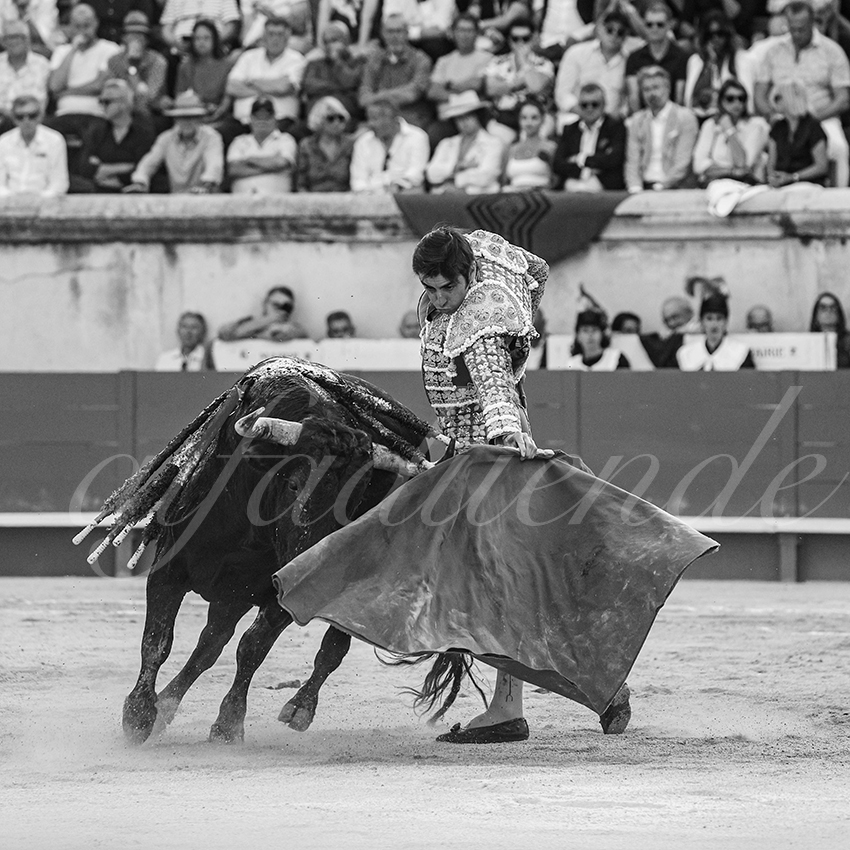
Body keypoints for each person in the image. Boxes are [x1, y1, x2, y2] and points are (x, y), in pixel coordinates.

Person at [410, 226, 632, 743]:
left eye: (447, 288)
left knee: (495, 591)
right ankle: (588, 689)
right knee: (510, 590)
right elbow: (537, 268)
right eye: (430, 288)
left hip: (490, 461)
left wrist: (507, 432)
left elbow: (493, 388)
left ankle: (526, 704)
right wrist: (523, 315)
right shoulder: (484, 256)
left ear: (467, 277)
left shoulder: (480, 322)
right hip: (469, 459)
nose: (439, 300)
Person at [753, 0, 850, 187]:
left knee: (839, 147)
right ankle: (758, 200)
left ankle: (838, 204)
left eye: (802, 29)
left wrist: (813, 119)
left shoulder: (832, 51)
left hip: (820, 117)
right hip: (780, 119)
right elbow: (759, 94)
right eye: (793, 28)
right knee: (755, 143)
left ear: (813, 22)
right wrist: (773, 115)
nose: (797, 33)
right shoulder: (773, 51)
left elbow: (843, 99)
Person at [46, 4, 121, 149]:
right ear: (70, 27)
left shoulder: (110, 49)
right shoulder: (62, 52)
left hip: (96, 114)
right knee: (46, 133)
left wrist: (66, 92)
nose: (82, 31)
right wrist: (73, 50)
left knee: (93, 134)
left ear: (96, 24)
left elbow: (99, 86)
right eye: (77, 26)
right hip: (63, 114)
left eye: (86, 26)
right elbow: (55, 86)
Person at [125, 90, 224, 193]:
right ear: (176, 119)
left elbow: (214, 164)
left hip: (207, 198)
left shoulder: (212, 137)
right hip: (177, 197)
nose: (187, 122)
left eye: (192, 117)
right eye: (182, 117)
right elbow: (149, 163)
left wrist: (207, 184)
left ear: (200, 118)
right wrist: (140, 181)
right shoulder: (166, 138)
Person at [226, 17, 307, 141]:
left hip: (281, 122)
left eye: (280, 34)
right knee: (219, 133)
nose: (275, 39)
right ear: (263, 36)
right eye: (271, 34)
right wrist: (268, 88)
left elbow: (284, 87)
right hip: (243, 122)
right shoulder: (248, 57)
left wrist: (251, 82)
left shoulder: (297, 60)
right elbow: (231, 87)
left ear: (287, 37)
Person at [72, 78, 156, 192]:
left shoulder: (143, 131)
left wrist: (105, 169)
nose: (102, 106)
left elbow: (144, 167)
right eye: (100, 101)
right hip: (99, 191)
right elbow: (84, 166)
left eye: (107, 102)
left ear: (123, 103)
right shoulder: (97, 130)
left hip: (132, 193)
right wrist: (123, 167)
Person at [625, 65, 699, 192]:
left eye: (656, 87)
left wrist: (661, 187)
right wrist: (635, 188)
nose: (652, 93)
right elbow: (632, 161)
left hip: (676, 187)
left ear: (668, 88)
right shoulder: (637, 121)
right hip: (644, 185)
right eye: (646, 89)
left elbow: (682, 163)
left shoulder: (685, 117)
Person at [555, 10, 630, 129]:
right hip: (577, 115)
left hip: (611, 122)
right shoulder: (576, 53)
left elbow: (626, 103)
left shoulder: (629, 61)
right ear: (600, 29)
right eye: (609, 30)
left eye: (620, 32)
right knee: (567, 122)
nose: (614, 35)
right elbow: (562, 94)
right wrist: (588, 113)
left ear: (626, 36)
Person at [427, 14, 493, 147]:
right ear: (453, 33)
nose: (464, 35)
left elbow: (478, 84)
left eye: (469, 30)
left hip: (475, 117)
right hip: (448, 118)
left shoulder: (487, 58)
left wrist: (449, 85)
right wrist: (463, 93)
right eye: (461, 30)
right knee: (432, 134)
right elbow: (433, 91)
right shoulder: (444, 61)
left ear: (477, 33)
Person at [359, 14, 434, 132]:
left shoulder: (421, 59)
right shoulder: (374, 59)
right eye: (389, 32)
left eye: (399, 31)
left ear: (407, 33)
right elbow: (363, 98)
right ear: (383, 34)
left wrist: (380, 95)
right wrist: (390, 96)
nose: (394, 36)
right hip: (378, 118)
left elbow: (412, 94)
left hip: (410, 119)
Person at [485, 17, 555, 142]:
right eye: (515, 39)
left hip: (536, 114)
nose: (520, 43)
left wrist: (524, 62)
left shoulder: (544, 63)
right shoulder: (497, 62)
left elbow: (536, 87)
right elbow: (491, 89)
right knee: (497, 138)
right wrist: (519, 82)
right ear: (509, 40)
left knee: (535, 136)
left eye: (525, 38)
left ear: (534, 38)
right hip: (506, 114)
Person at [692, 78, 770, 186]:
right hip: (713, 184)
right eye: (730, 99)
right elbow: (699, 165)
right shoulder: (710, 125)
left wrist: (730, 131)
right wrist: (731, 171)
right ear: (721, 101)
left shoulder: (756, 126)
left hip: (744, 186)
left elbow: (743, 164)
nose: (736, 103)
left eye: (741, 98)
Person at [425, 91, 504, 194]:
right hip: (446, 197)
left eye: (468, 116)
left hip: (478, 198)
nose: (463, 122)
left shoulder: (493, 143)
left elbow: (486, 176)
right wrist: (457, 167)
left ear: (478, 116)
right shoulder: (447, 143)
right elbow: (431, 174)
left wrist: (453, 180)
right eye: (459, 118)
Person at [553, 83, 627, 191]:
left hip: (604, 186)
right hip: (573, 182)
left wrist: (580, 158)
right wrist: (584, 171)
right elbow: (558, 164)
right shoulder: (570, 129)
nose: (589, 108)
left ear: (604, 104)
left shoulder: (616, 128)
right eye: (584, 105)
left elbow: (613, 160)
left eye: (595, 104)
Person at [350, 98, 430, 192]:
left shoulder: (417, 136)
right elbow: (357, 181)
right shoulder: (363, 141)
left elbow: (415, 175)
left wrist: (395, 187)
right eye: (369, 118)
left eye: (375, 119)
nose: (370, 124)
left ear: (392, 118)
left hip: (404, 194)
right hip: (370, 196)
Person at [683, 11, 750, 122]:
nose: (715, 39)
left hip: (732, 119)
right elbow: (690, 100)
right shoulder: (695, 61)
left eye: (720, 34)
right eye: (710, 35)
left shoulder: (741, 59)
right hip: (698, 119)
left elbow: (746, 97)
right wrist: (709, 63)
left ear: (728, 35)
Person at [625, 2, 690, 112]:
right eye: (649, 24)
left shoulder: (681, 57)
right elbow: (633, 97)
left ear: (669, 25)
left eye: (660, 24)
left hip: (673, 118)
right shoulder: (634, 57)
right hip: (643, 118)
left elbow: (680, 98)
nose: (654, 28)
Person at [0, 93, 68, 196]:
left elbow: (59, 183)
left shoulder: (55, 140)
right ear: (13, 119)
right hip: (9, 204)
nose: (26, 121)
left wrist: (38, 202)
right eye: (20, 117)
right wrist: (12, 200)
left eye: (32, 116)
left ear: (41, 116)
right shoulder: (4, 141)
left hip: (45, 204)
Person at [227, 96, 297, 194]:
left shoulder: (285, 139)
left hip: (277, 202)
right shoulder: (239, 141)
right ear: (251, 118)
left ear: (274, 118)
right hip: (242, 202)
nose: (262, 121)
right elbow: (233, 170)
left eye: (267, 117)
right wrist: (273, 168)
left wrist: (248, 160)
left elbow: (281, 163)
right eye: (258, 117)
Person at [104, 11, 167, 120]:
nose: (135, 39)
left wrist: (132, 68)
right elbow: (110, 92)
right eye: (131, 35)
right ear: (124, 37)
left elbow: (148, 97)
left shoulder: (158, 61)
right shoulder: (114, 61)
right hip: (119, 113)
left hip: (151, 114)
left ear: (147, 39)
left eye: (140, 35)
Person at [300, 20, 365, 123]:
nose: (329, 45)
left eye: (334, 40)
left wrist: (337, 61)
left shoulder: (357, 62)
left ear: (346, 41)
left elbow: (349, 82)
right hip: (316, 117)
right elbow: (309, 85)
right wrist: (338, 88)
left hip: (345, 117)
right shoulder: (314, 64)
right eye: (326, 42)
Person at [766, 81, 829, 187]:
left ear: (789, 98)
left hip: (807, 183)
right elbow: (771, 162)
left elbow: (821, 166)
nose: (773, 101)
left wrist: (793, 177)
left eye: (777, 98)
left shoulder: (813, 126)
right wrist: (773, 176)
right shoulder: (778, 127)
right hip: (781, 185)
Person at [172, 19, 233, 128]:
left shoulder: (226, 66)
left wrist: (215, 113)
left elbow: (227, 100)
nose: (201, 42)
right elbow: (180, 97)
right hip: (191, 116)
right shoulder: (185, 67)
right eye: (197, 38)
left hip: (220, 117)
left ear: (214, 40)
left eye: (206, 38)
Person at [677, 293, 756, 370]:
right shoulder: (686, 353)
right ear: (701, 321)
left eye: (719, 318)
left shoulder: (741, 352)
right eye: (709, 318)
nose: (714, 324)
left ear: (726, 322)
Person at [0, 20, 50, 137]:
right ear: (3, 41)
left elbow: (40, 100)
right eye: (9, 37)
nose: (14, 41)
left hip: (30, 117)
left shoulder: (41, 64)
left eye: (18, 37)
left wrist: (16, 114)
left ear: (27, 39)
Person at [296, 96, 355, 192]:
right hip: (313, 200)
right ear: (319, 120)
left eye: (341, 118)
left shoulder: (350, 144)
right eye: (331, 118)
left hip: (344, 199)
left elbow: (356, 180)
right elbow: (301, 184)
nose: (337, 122)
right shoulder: (306, 145)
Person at [218, 285, 310, 342]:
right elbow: (225, 333)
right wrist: (267, 320)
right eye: (276, 304)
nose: (280, 309)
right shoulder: (251, 321)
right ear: (265, 304)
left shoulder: (295, 328)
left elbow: (280, 336)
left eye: (286, 306)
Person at [501, 97, 556, 191]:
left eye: (534, 118)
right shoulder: (511, 149)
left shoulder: (551, 147)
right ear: (519, 120)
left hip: (542, 197)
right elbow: (504, 181)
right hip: (513, 197)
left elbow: (556, 180)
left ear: (542, 119)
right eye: (524, 118)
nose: (528, 123)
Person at [159, 0, 241, 52]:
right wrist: (175, 43)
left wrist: (214, 42)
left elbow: (231, 26)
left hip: (215, 48)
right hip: (180, 48)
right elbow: (166, 27)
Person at [639, 295, 695, 367]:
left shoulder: (702, 332)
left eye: (675, 317)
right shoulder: (667, 338)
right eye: (667, 320)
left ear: (689, 313)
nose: (671, 323)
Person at [566, 310, 631, 370]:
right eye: (585, 330)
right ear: (578, 335)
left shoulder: (616, 359)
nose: (590, 335)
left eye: (594, 330)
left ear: (602, 334)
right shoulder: (572, 364)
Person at [809, 291, 850, 367]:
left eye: (833, 307)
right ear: (816, 315)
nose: (828, 311)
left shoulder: (848, 341)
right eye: (823, 307)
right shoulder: (808, 342)